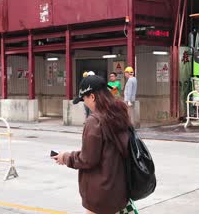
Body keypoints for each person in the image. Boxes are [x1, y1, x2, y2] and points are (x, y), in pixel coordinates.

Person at [54, 75, 137, 214]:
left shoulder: (95, 121)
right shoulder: (119, 114)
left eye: (84, 99)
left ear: (92, 96)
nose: (84, 103)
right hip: (119, 189)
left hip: (101, 194)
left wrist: (65, 157)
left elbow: (87, 159)